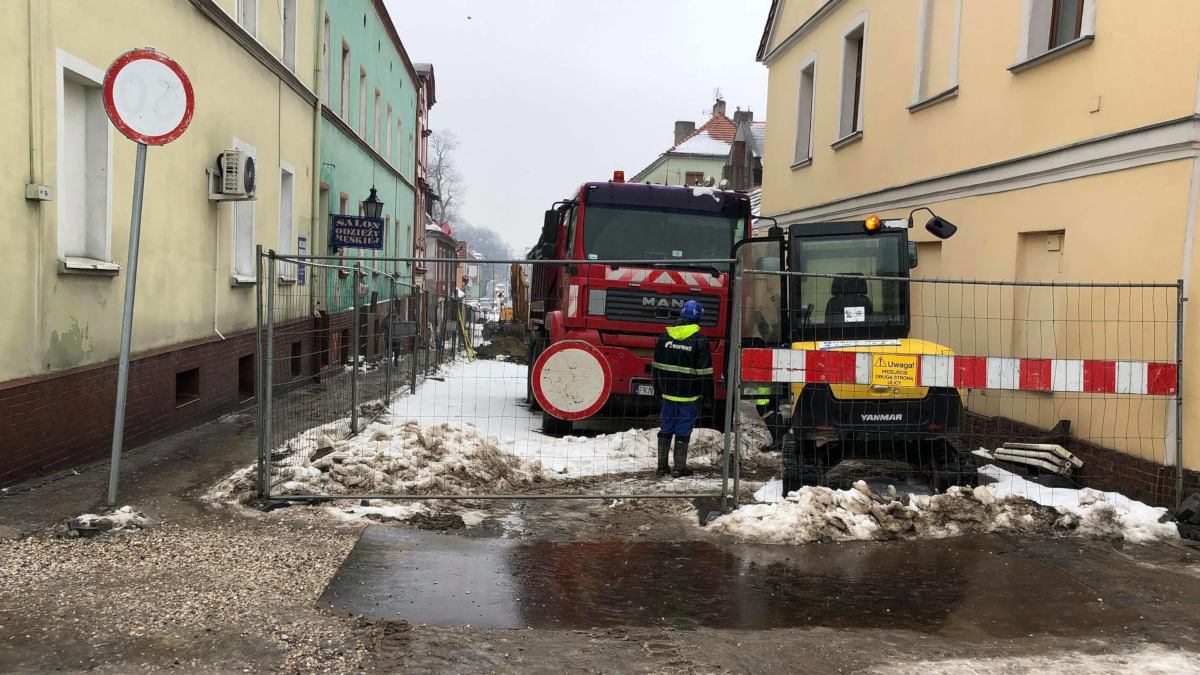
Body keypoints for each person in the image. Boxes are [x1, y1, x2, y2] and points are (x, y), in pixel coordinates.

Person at [652, 300, 714, 477]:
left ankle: (662, 467)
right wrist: (709, 396)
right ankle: (679, 468)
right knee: (683, 427)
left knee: (667, 426)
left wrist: (657, 388)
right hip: (689, 394)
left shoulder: (665, 336)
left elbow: (656, 366)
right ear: (699, 318)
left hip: (668, 393)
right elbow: (705, 371)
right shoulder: (699, 339)